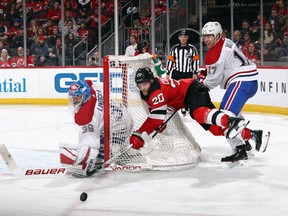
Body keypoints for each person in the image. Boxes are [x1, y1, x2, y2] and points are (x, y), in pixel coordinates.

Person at [129, 67, 250, 155]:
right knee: (215, 129)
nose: (142, 88)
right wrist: (159, 126)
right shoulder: (147, 92)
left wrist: (140, 133)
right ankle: (252, 134)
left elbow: (155, 118)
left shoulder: (157, 91)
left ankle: (231, 121)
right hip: (187, 98)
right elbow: (155, 115)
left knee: (199, 114)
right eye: (139, 85)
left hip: (192, 89)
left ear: (151, 81)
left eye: (144, 84)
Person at [200, 21, 270, 162]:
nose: (206, 39)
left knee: (225, 117)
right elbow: (223, 66)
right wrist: (205, 73)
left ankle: (244, 145)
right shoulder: (225, 42)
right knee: (235, 117)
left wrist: (199, 86)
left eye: (209, 36)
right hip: (248, 81)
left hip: (241, 82)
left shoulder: (215, 53)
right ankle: (247, 143)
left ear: (218, 35)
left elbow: (213, 81)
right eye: (204, 36)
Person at [60, 80, 132, 177]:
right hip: (125, 116)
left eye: (77, 97)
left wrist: (81, 163)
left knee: (105, 155)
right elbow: (90, 82)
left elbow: (91, 145)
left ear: (85, 95)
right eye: (73, 97)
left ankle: (115, 147)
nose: (75, 100)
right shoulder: (92, 88)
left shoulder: (86, 116)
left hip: (119, 130)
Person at [166, 29, 199, 116]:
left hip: (188, 73)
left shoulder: (192, 48)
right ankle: (173, 107)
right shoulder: (175, 48)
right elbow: (170, 60)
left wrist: (195, 72)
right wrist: (168, 72)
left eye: (185, 37)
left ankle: (185, 107)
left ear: (187, 38)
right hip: (177, 73)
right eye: (181, 37)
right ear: (179, 38)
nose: (183, 38)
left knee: (187, 92)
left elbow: (195, 61)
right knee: (175, 92)